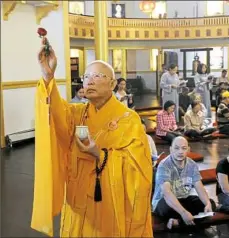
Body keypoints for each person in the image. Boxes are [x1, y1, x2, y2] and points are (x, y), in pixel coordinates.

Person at [31, 38, 153, 237]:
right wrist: (47, 76)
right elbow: (55, 113)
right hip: (78, 196)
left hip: (107, 199)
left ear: (112, 83)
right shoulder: (78, 113)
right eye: (86, 76)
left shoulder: (128, 119)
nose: (89, 81)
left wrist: (101, 154)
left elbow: (139, 168)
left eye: (97, 76)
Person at [152, 136, 216, 229]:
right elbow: (167, 193)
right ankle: (186, 219)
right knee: (167, 208)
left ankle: (178, 223)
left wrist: (207, 203)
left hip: (183, 199)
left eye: (184, 148)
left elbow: (199, 187)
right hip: (165, 202)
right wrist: (183, 212)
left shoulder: (192, 164)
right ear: (171, 149)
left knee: (211, 204)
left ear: (188, 150)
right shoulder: (164, 165)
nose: (180, 152)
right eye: (176, 148)